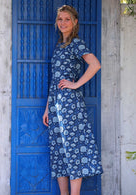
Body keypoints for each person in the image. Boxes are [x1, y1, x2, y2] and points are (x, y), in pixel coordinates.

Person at [43, 5, 103, 195]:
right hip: (55, 107)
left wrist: (76, 84)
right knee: (59, 151)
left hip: (70, 104)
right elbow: (54, 82)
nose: (62, 23)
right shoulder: (59, 46)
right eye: (60, 19)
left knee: (73, 149)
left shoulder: (77, 43)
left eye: (67, 19)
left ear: (75, 22)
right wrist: (47, 108)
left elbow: (95, 64)